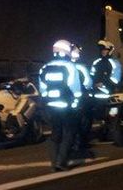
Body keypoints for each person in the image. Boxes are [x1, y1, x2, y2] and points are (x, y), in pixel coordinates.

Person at [39, 39, 83, 172]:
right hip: (66, 105)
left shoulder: (45, 67)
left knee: (55, 132)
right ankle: (61, 162)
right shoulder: (70, 67)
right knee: (68, 133)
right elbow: (75, 88)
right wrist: (77, 101)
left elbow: (42, 89)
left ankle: (54, 163)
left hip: (51, 105)